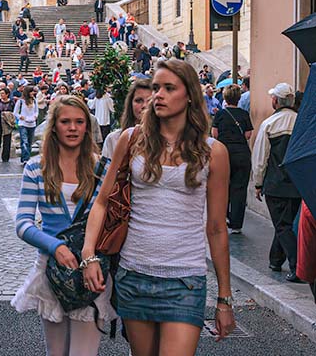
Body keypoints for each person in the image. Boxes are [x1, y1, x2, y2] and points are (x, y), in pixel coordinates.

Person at [82, 60, 236, 352]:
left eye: (168, 88)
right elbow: (102, 201)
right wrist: (89, 255)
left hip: (185, 281)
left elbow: (216, 229)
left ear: (190, 94)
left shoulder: (213, 152)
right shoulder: (131, 140)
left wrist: (224, 298)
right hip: (134, 275)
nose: (158, 96)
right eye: (155, 88)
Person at [12, 95, 115, 356]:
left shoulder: (102, 168)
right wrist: (55, 246)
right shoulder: (36, 168)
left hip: (92, 269)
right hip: (51, 268)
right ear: (54, 126)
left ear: (87, 126)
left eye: (79, 122)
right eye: (65, 121)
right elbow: (23, 223)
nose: (72, 128)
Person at [252, 82, 302, 281]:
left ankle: (297, 266)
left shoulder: (269, 124)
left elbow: (260, 157)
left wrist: (257, 183)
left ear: (276, 101)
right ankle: (275, 259)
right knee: (285, 223)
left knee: (282, 226)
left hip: (276, 183)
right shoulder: (300, 122)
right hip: (297, 184)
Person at [211, 84, 253, 234]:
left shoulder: (220, 114)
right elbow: (248, 134)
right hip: (242, 153)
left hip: (224, 154)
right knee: (240, 188)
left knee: (223, 186)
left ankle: (224, 216)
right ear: (239, 97)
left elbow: (214, 134)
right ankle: (237, 224)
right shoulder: (244, 114)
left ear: (225, 97)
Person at [15, 85, 39, 164]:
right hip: (23, 123)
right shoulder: (21, 101)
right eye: (31, 91)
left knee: (30, 142)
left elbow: (36, 111)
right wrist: (20, 117)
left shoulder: (34, 100)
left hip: (32, 123)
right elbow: (15, 112)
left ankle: (25, 157)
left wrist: (35, 116)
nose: (33, 93)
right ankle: (26, 158)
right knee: (24, 141)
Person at [0, 90, 15, 162]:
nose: (1, 95)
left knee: (7, 140)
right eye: (1, 93)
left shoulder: (11, 102)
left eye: (3, 93)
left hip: (7, 123)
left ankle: (5, 157)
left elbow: (14, 111)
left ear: (7, 94)